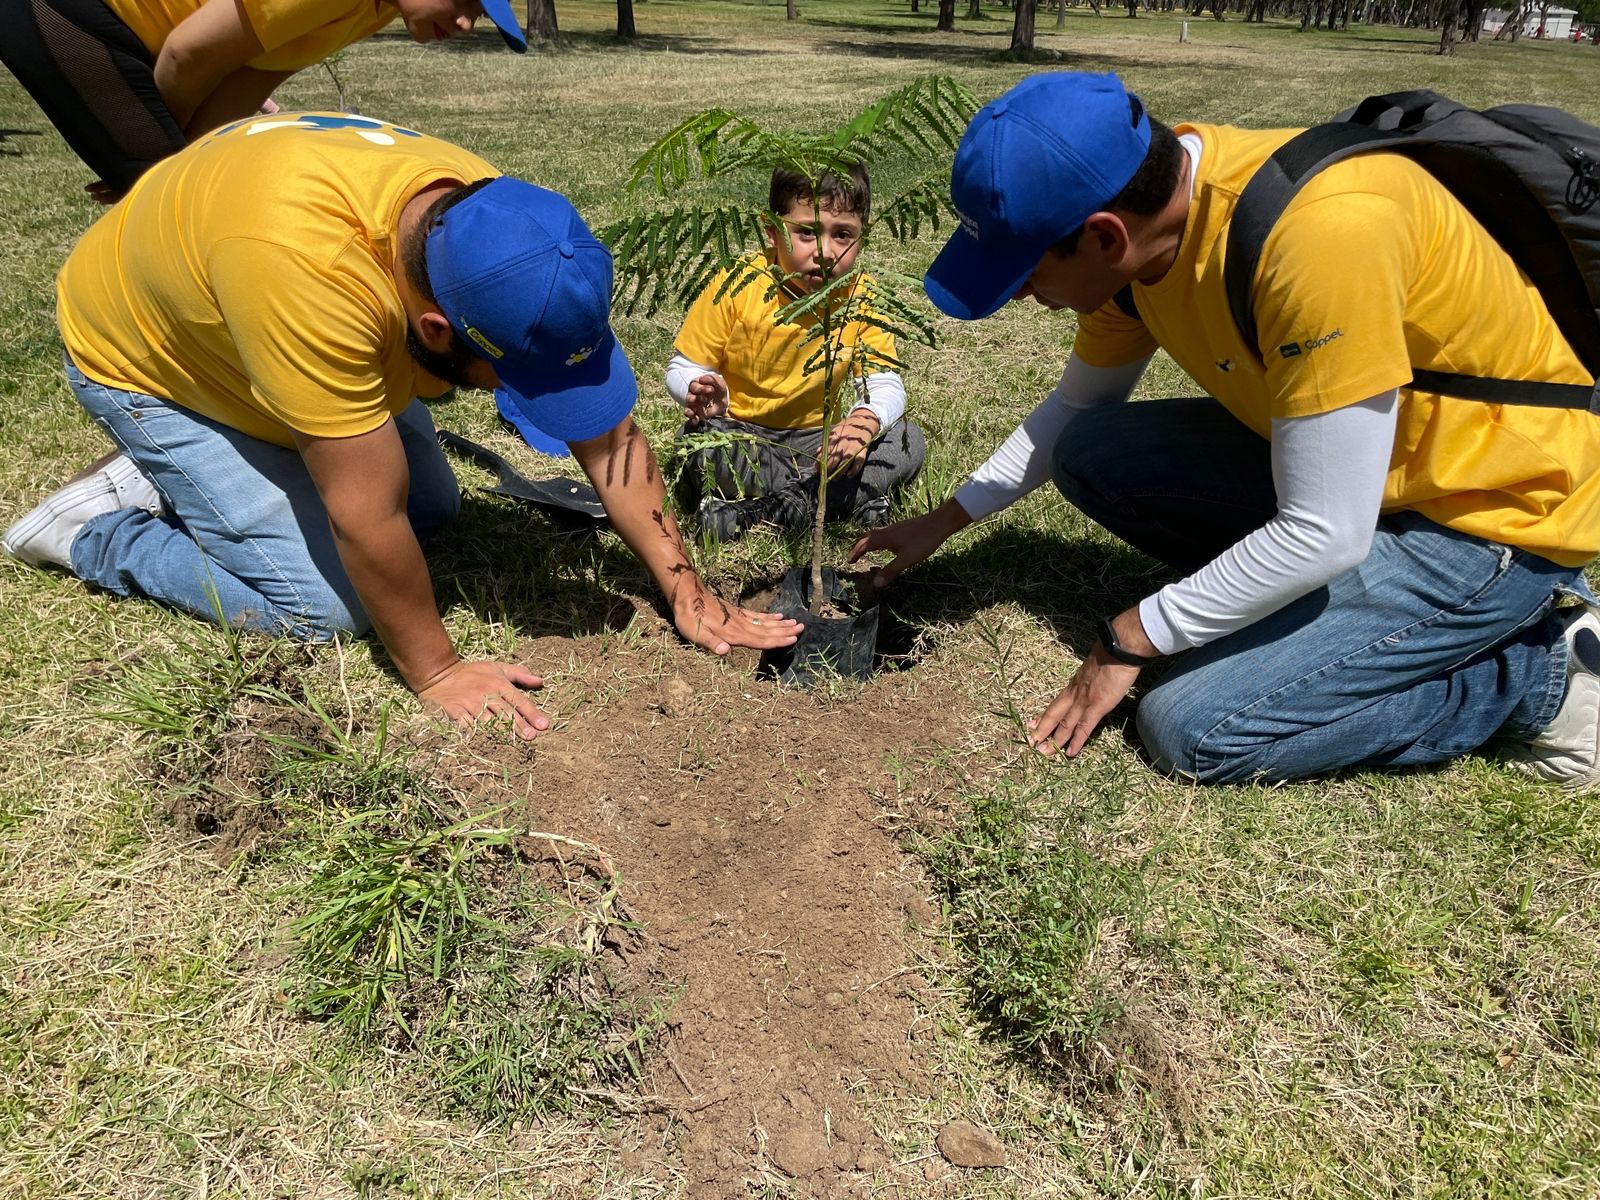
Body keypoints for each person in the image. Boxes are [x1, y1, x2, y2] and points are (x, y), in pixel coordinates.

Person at [849, 71, 1600, 787]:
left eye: (1023, 274)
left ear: (1107, 237)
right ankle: (1341, 616)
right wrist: (944, 521)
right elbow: (1077, 407)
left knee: (1194, 726)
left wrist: (1132, 635)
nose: (1019, 297)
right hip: (1371, 476)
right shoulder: (1143, 233)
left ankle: (1543, 679)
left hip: (1493, 512)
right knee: (1092, 454)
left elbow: (1326, 530)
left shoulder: (1318, 237)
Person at [2, 110, 800, 738]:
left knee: (432, 510)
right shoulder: (312, 280)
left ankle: (222, 459)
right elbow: (362, 512)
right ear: (431, 331)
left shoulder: (503, 232)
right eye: (510, 378)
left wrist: (684, 586)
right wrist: (436, 669)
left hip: (242, 307)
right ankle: (90, 530)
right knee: (325, 604)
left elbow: (612, 439)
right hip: (150, 356)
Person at [0, 0, 525, 203]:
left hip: (125, 36)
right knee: (168, 204)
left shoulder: (374, 9)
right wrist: (156, 152)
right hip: (64, 12)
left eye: (479, 17)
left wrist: (169, 152)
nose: (463, 24)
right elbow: (186, 55)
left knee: (189, 190)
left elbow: (248, 76)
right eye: (466, 2)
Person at [667, 163, 927, 541]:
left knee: (907, 439)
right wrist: (700, 387)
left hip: (821, 445)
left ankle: (758, 513)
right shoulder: (737, 283)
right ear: (772, 231)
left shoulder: (860, 296)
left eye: (843, 235)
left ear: (862, 238)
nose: (824, 251)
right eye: (806, 232)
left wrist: (862, 422)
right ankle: (846, 501)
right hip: (744, 436)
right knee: (698, 443)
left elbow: (885, 383)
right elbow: (683, 365)